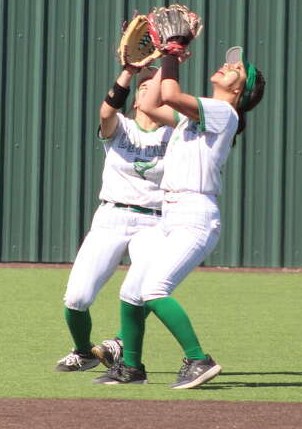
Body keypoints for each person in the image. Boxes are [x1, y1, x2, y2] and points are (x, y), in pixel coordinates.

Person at [94, 45, 265, 389]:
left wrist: (172, 54)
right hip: (170, 215)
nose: (227, 65)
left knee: (155, 289)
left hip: (195, 216)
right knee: (131, 292)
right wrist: (162, 61)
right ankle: (131, 367)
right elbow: (149, 105)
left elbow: (170, 95)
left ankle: (198, 359)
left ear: (238, 90)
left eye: (236, 69)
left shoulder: (224, 112)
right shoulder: (198, 115)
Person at [54, 64, 171, 372]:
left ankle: (120, 344)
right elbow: (106, 112)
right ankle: (84, 351)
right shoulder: (120, 127)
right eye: (144, 86)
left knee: (145, 289)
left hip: (155, 221)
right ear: (135, 100)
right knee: (76, 297)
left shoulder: (177, 134)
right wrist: (129, 71)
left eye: (156, 84)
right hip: (112, 216)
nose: (150, 87)